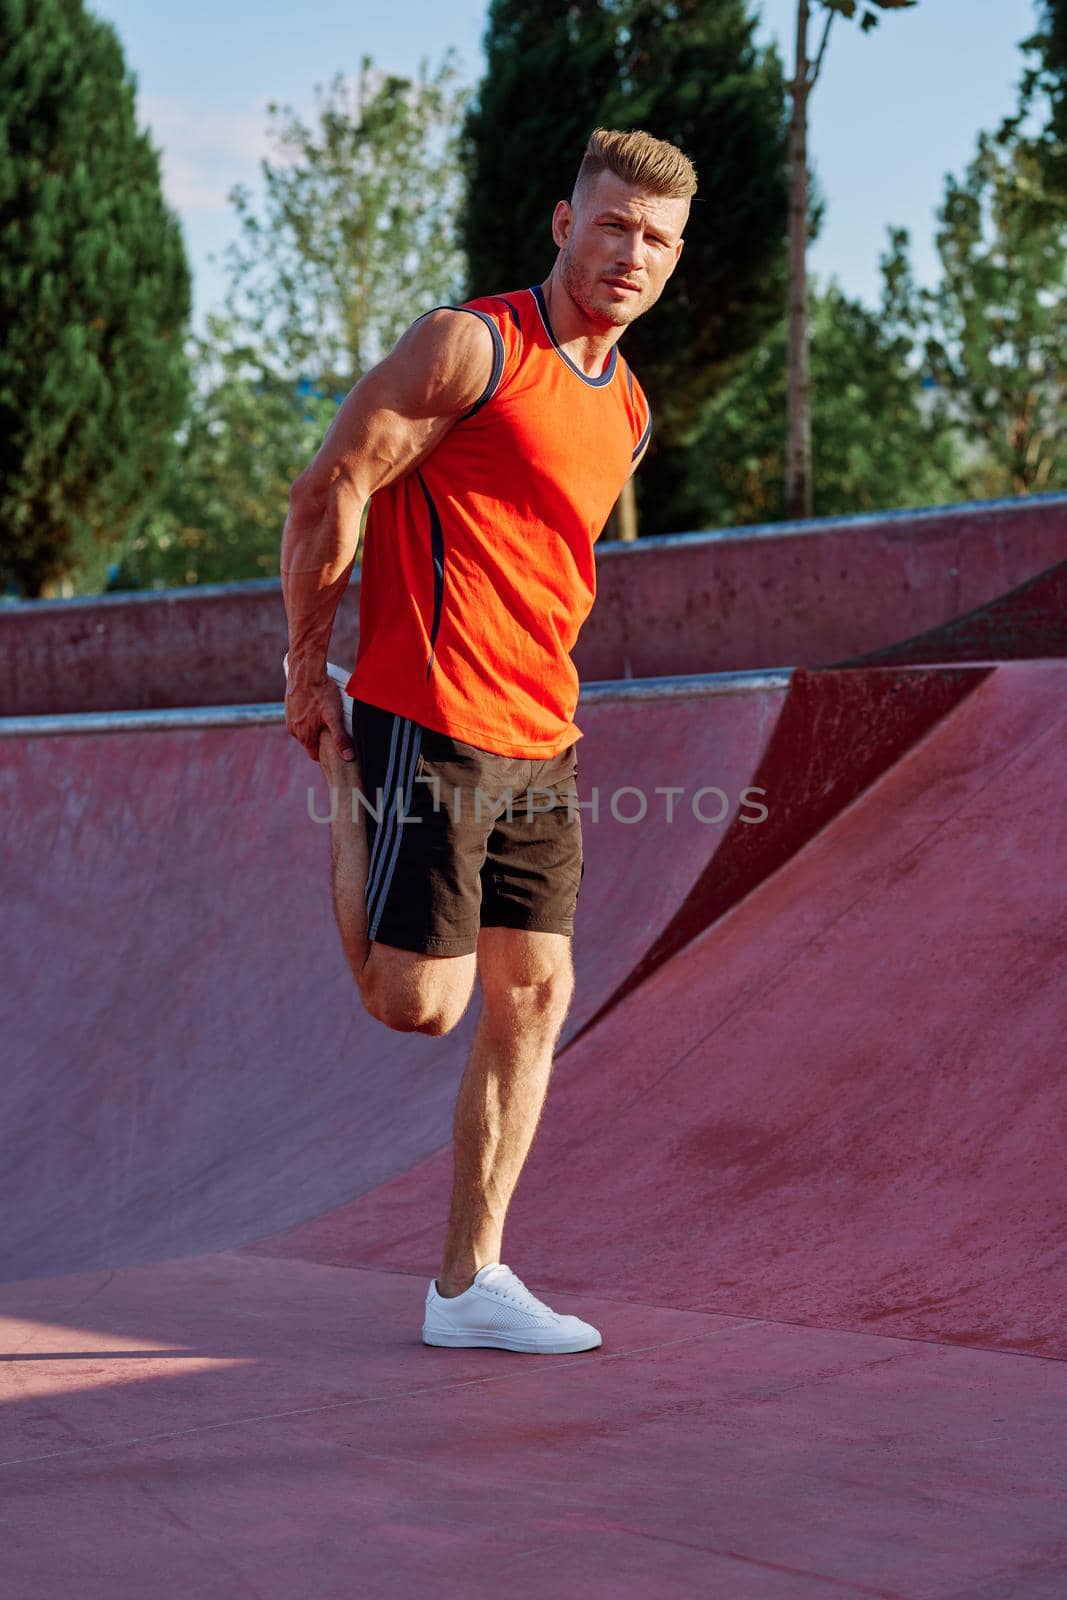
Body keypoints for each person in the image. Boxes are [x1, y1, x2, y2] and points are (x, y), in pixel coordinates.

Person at [281, 126, 695, 1354]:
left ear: (674, 262)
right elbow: (333, 483)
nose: (632, 252)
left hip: (542, 733)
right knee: (417, 1005)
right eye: (613, 223)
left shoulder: (625, 408)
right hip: (429, 714)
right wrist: (311, 665)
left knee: (538, 989)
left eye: (658, 238)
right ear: (565, 225)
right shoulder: (470, 345)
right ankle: (346, 784)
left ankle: (468, 1284)